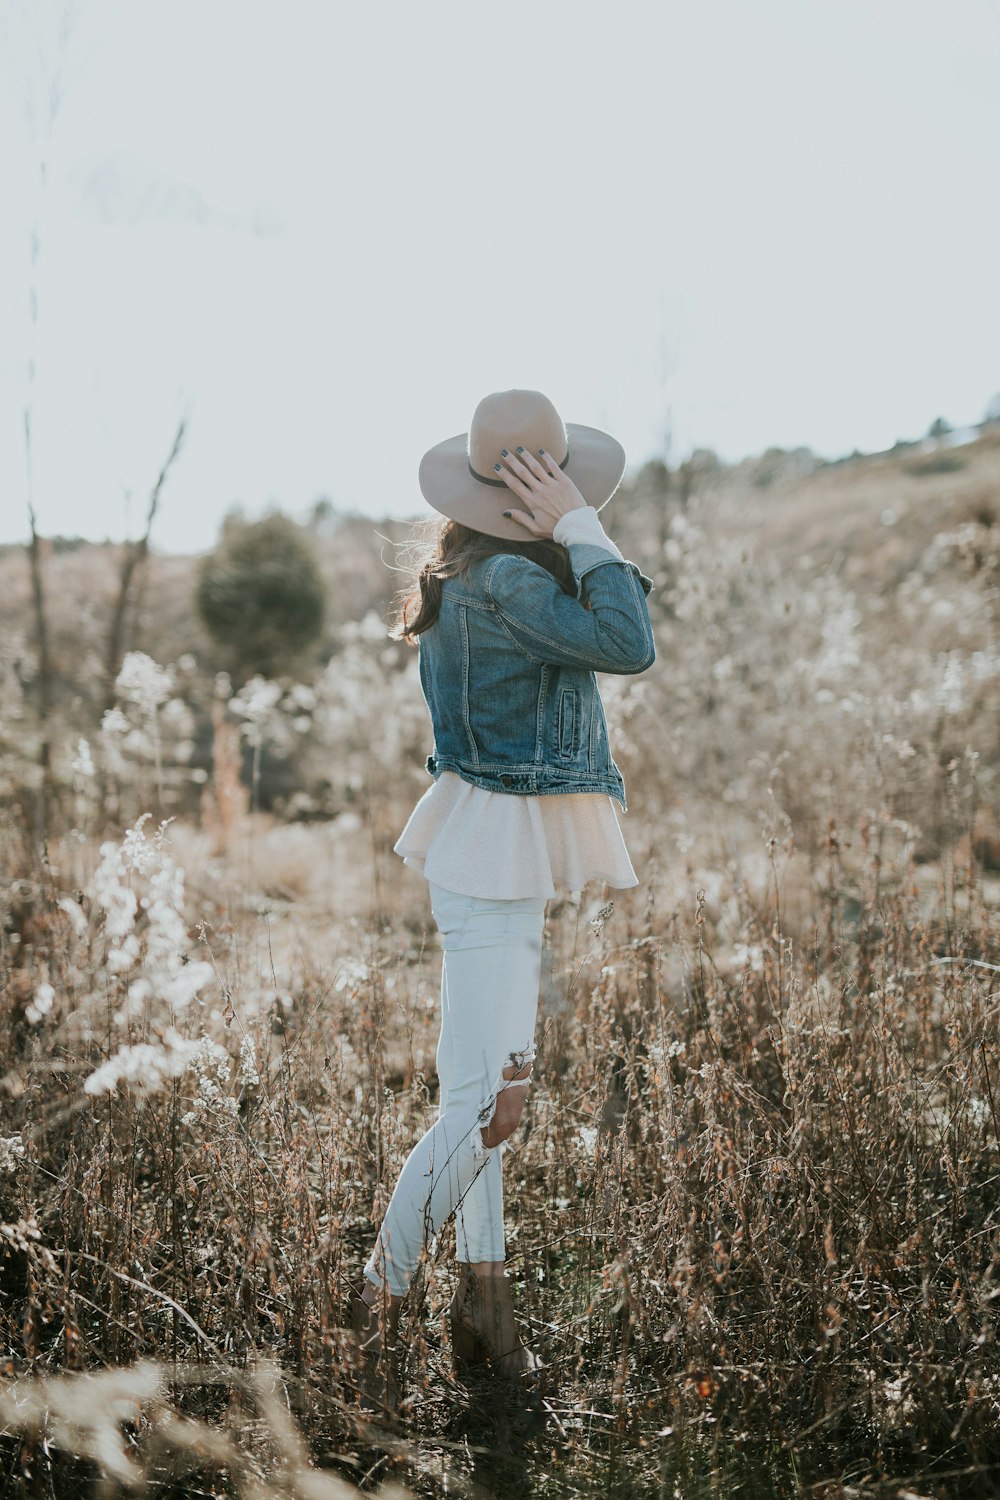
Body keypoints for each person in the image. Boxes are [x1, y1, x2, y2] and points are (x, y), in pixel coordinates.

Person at [351, 388, 655, 1418]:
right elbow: (627, 641)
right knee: (493, 1106)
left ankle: (486, 1318)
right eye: (554, 484)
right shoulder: (515, 578)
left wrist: (563, 527)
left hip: (486, 853)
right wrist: (580, 524)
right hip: (490, 860)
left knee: (474, 1100)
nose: (569, 500)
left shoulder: (475, 576)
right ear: (524, 494)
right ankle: (373, 1302)